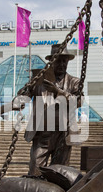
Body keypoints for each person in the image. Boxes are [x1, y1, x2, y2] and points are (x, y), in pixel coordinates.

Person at [18, 44, 83, 176]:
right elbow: (23, 95)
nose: (62, 64)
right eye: (58, 60)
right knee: (35, 171)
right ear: (51, 61)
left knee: (59, 174)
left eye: (64, 61)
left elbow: (78, 101)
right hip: (42, 133)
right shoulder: (39, 79)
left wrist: (58, 91)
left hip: (62, 134)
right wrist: (21, 97)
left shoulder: (74, 82)